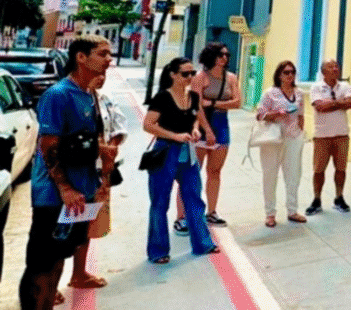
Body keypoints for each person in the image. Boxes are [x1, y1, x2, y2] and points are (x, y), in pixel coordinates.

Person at [19, 35, 113, 310]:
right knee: (42, 264)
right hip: (54, 196)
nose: (109, 59)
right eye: (103, 53)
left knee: (60, 258)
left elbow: (85, 140)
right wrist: (65, 188)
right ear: (81, 57)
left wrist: (101, 173)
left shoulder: (88, 94)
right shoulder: (58, 95)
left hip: (80, 193)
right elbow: (49, 145)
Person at [142, 57, 220, 264]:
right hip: (166, 151)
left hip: (188, 151)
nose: (189, 77)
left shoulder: (193, 97)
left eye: (192, 73)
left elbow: (195, 117)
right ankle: (158, 251)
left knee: (194, 196)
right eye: (185, 74)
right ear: (173, 75)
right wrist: (174, 136)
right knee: (160, 201)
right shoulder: (162, 97)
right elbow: (148, 124)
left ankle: (203, 243)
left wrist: (195, 129)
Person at [65, 72, 128, 294]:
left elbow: (120, 124)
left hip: (101, 171)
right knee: (63, 227)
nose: (100, 77)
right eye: (96, 73)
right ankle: (50, 283)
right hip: (73, 173)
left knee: (88, 224)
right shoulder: (65, 98)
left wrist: (111, 146)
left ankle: (79, 273)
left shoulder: (105, 97)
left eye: (103, 74)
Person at [173, 42, 240, 234]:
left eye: (227, 54)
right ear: (211, 56)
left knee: (215, 172)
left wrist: (212, 102)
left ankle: (211, 212)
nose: (225, 58)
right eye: (221, 54)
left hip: (222, 125)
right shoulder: (200, 77)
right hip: (201, 126)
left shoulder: (231, 78)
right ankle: (182, 217)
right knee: (191, 174)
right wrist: (207, 130)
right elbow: (197, 105)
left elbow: (237, 102)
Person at [255, 61, 306, 226]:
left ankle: (292, 210)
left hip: (293, 138)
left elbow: (301, 115)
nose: (290, 75)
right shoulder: (270, 93)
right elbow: (260, 115)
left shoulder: (299, 93)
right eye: (286, 72)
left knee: (293, 175)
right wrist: (276, 114)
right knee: (270, 175)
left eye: (292, 72)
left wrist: (300, 132)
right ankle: (270, 213)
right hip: (272, 139)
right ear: (279, 75)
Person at [307, 59, 351, 215]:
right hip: (322, 136)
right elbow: (320, 107)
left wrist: (331, 103)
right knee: (319, 169)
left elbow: (350, 103)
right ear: (323, 71)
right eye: (330, 67)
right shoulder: (316, 87)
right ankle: (317, 199)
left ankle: (339, 197)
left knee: (341, 169)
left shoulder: (345, 86)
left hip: (341, 135)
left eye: (336, 66)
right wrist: (339, 103)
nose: (335, 69)